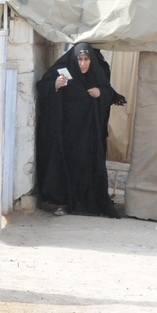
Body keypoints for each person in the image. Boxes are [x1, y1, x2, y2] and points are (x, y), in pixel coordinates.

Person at [35, 42, 126, 218]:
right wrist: (55, 84)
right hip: (66, 132)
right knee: (67, 164)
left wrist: (100, 93)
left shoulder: (96, 74)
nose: (83, 64)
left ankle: (87, 203)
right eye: (80, 59)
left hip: (89, 133)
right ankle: (65, 202)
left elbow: (109, 92)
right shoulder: (62, 69)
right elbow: (42, 86)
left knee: (88, 165)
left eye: (87, 59)